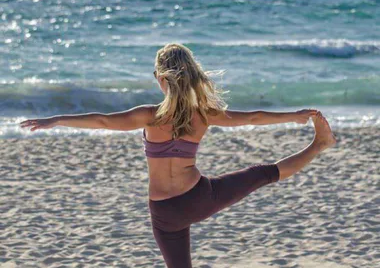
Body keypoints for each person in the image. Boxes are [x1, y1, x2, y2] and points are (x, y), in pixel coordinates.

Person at [20, 43, 337, 268]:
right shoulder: (205, 114)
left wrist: (56, 119)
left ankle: (319, 144)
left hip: (164, 214)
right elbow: (252, 117)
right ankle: (319, 145)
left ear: (160, 79)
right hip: (200, 198)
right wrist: (294, 115)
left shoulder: (147, 116)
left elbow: (102, 121)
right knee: (265, 173)